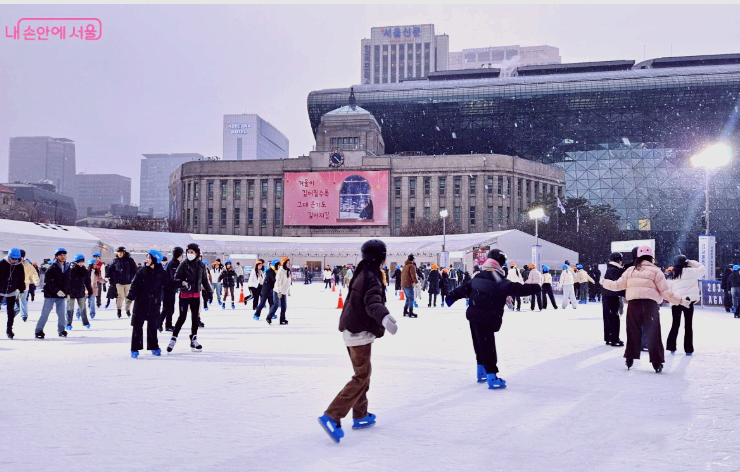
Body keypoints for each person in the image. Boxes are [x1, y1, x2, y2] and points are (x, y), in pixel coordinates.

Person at [318, 239, 398, 443]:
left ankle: (361, 414)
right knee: (362, 376)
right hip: (359, 332)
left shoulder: (362, 272)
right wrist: (383, 317)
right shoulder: (371, 276)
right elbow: (372, 301)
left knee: (363, 374)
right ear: (380, 257)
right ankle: (332, 415)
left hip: (352, 329)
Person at [446, 249, 540, 389]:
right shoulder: (498, 278)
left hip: (473, 315)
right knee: (488, 346)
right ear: (500, 262)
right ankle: (492, 376)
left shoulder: (479, 275)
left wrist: (450, 297)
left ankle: (481, 371)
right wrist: (536, 288)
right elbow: (517, 289)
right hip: (486, 316)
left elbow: (464, 289)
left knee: (479, 344)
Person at [601, 246, 690, 373]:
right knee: (653, 333)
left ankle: (630, 358)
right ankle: (657, 362)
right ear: (651, 257)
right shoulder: (656, 271)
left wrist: (604, 282)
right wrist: (681, 301)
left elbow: (617, 285)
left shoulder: (630, 270)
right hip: (650, 306)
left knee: (633, 331)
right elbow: (665, 292)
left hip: (634, 305)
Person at [169, 243, 212, 353]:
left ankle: (194, 338)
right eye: (188, 252)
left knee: (195, 318)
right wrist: (182, 282)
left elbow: (205, 280)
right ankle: (173, 338)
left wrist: (210, 292)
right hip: (184, 294)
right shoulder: (183, 264)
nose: (189, 254)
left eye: (191, 252)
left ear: (196, 253)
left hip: (195, 295)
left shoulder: (201, 265)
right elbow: (175, 278)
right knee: (182, 317)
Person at [127, 250, 166, 358]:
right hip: (141, 303)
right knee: (137, 326)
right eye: (147, 257)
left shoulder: (161, 273)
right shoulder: (142, 271)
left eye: (149, 258)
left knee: (153, 326)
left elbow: (170, 283)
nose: (147, 259)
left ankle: (154, 346)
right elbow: (134, 286)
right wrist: (130, 298)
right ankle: (135, 348)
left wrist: (181, 283)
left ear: (155, 259)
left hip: (154, 304)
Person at [665, 255, 704, 355]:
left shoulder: (672, 274)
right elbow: (702, 268)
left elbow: (668, 289)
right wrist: (691, 262)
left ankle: (671, 346)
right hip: (688, 302)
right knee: (688, 325)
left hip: (676, 302)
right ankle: (688, 349)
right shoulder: (691, 272)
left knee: (675, 324)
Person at [36, 248, 69, 338]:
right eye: (61, 255)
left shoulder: (67, 267)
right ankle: (38, 331)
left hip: (62, 295)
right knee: (45, 313)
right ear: (56, 256)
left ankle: (61, 330)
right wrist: (57, 290)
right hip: (50, 294)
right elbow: (48, 281)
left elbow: (67, 281)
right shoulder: (51, 267)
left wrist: (67, 292)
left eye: (64, 255)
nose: (63, 257)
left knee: (61, 314)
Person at [602, 252, 626, 347]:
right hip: (612, 295)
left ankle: (609, 337)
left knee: (608, 316)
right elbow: (617, 280)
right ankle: (614, 338)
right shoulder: (614, 269)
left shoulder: (609, 268)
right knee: (614, 317)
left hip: (607, 295)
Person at [1, 248, 26, 339]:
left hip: (11, 291)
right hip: (0, 290)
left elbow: (21, 279)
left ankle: (9, 330)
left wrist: (21, 290)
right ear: (9, 256)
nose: (14, 261)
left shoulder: (19, 266)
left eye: (16, 259)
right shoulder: (2, 263)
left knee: (10, 312)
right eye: (12, 259)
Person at [66, 253, 93, 330]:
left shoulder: (85, 271)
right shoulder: (70, 270)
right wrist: (66, 290)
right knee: (70, 309)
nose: (81, 263)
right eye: (79, 262)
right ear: (76, 262)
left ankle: (85, 322)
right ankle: (68, 323)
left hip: (80, 291)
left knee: (83, 308)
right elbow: (66, 281)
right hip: (71, 292)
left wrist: (90, 290)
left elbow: (87, 282)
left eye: (82, 261)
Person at [109, 246, 137, 318]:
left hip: (128, 282)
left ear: (124, 253)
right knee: (120, 296)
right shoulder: (115, 261)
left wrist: (132, 278)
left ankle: (127, 309)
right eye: (119, 253)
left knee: (128, 296)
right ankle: (119, 309)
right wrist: (109, 277)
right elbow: (110, 270)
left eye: (121, 253)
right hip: (119, 282)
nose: (120, 254)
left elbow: (134, 270)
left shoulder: (129, 260)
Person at [161, 247, 183, 332]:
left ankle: (167, 324)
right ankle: (160, 323)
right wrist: (181, 283)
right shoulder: (174, 264)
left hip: (171, 288)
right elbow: (174, 277)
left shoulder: (175, 263)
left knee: (170, 308)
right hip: (168, 288)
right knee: (167, 308)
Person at [266, 257, 292, 325]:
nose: (289, 264)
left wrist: (288, 291)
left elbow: (288, 282)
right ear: (284, 263)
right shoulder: (280, 271)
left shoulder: (288, 271)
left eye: (289, 263)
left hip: (284, 291)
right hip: (277, 291)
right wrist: (279, 291)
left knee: (284, 306)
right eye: (287, 263)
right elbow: (278, 282)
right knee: (276, 304)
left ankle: (282, 319)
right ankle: (268, 317)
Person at [17, 249, 39, 322]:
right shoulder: (13, 264)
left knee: (23, 301)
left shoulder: (28, 265)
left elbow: (34, 274)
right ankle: (15, 310)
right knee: (14, 300)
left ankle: (24, 315)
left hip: (24, 286)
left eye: (21, 257)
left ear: (23, 257)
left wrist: (36, 281)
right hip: (14, 286)